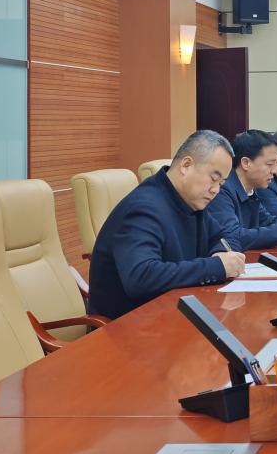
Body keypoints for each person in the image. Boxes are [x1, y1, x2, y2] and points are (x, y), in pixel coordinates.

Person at [88, 130, 246, 320]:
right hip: (128, 325)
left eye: (222, 183)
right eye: (213, 178)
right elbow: (141, 277)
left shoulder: (190, 200)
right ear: (186, 165)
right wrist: (216, 267)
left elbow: (224, 235)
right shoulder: (143, 208)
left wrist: (221, 252)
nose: (216, 190)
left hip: (172, 312)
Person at [208, 129, 277, 250]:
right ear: (246, 163)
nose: (275, 170)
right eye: (269, 164)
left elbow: (266, 221)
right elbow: (232, 237)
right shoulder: (221, 190)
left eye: (276, 164)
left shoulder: (250, 190)